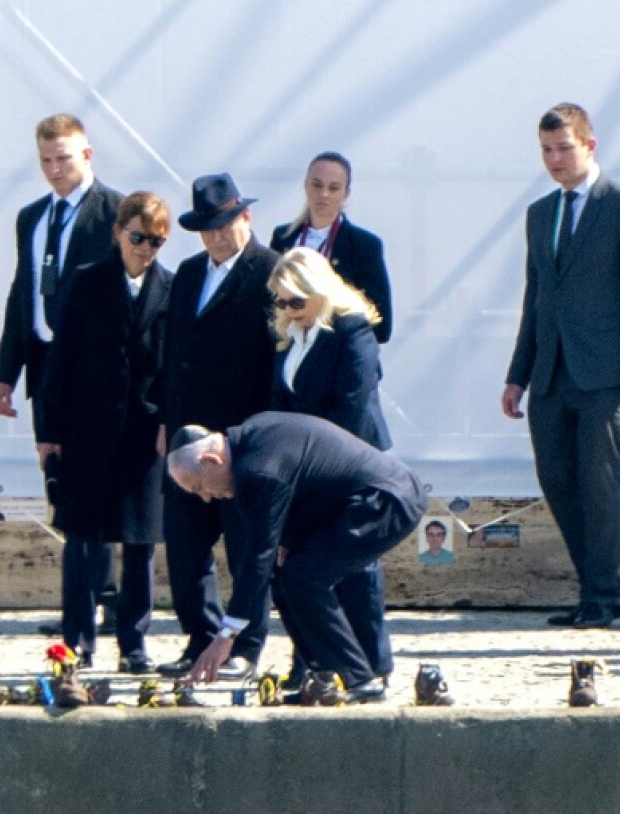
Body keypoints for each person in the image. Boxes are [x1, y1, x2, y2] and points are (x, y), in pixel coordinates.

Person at [501, 103, 620, 629]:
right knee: (557, 478)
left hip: (605, 372)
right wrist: (517, 373)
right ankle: (598, 587)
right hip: (551, 371)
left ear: (589, 146)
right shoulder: (540, 214)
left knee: (598, 483)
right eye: (546, 150)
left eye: (563, 148)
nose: (554, 159)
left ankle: (601, 593)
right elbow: (537, 299)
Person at [166, 413, 426, 702]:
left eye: (199, 487)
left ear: (212, 461)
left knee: (305, 578)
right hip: (351, 503)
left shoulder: (257, 469)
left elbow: (257, 558)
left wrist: (225, 636)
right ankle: (322, 678)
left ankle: (357, 680)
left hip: (385, 499)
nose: (206, 497)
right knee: (287, 577)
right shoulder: (252, 442)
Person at [0, 113, 122, 639]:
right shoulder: (32, 217)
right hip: (47, 366)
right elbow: (22, 293)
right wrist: (7, 370)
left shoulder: (112, 210)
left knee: (98, 483)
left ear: (87, 155)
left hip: (94, 371)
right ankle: (79, 598)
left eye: (63, 158)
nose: (54, 169)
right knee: (59, 480)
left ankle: (104, 597)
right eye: (45, 160)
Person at [37, 192, 173, 673]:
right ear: (118, 232)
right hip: (89, 429)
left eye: (155, 241)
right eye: (137, 237)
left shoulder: (170, 288)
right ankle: (78, 641)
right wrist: (49, 433)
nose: (144, 249)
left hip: (144, 436)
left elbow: (176, 367)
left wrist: (168, 424)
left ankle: (133, 644)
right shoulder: (87, 283)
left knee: (140, 543)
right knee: (83, 539)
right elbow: (61, 360)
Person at [156, 173, 279, 680]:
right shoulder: (187, 274)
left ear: (244, 217)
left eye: (221, 226)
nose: (213, 237)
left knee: (247, 548)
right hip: (189, 439)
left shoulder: (270, 272)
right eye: (205, 229)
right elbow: (173, 354)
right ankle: (200, 638)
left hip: (239, 439)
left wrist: (261, 437)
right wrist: (167, 423)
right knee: (185, 546)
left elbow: (275, 363)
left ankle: (245, 646)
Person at [267, 246, 393, 684]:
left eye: (295, 301)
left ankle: (371, 663)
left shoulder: (351, 330)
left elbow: (353, 405)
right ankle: (314, 661)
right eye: (281, 302)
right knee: (300, 564)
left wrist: (317, 463)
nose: (288, 310)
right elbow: (282, 403)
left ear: (319, 292)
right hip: (304, 466)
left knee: (355, 565)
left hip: (351, 461)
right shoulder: (291, 337)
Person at [270, 152, 393, 342]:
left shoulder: (364, 245)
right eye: (317, 185)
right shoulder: (283, 237)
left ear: (346, 193)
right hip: (288, 352)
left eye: (334, 188)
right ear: (305, 186)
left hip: (333, 356)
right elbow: (270, 304)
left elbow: (381, 325)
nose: (324, 194)